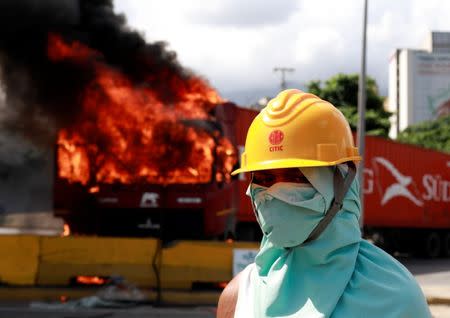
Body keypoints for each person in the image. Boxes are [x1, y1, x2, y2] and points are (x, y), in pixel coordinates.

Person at [217, 89, 431, 318]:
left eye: (298, 177)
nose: (275, 193)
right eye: (265, 179)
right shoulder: (238, 296)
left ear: (343, 183)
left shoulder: (394, 298)